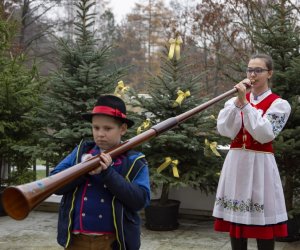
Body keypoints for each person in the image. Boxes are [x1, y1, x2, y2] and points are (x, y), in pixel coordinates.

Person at [50, 95, 151, 250]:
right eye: (96, 128)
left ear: (122, 129)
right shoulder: (81, 152)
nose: (100, 134)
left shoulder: (135, 161)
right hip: (76, 242)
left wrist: (107, 173)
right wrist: (83, 170)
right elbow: (54, 183)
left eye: (107, 128)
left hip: (112, 243)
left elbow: (140, 200)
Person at [212, 53, 291, 250]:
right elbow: (225, 129)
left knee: (261, 220)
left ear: (269, 73)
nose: (252, 74)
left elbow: (264, 134)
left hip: (260, 165)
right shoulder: (235, 101)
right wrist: (237, 104)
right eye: (249, 70)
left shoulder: (279, 104)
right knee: (236, 221)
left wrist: (246, 106)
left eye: (258, 70)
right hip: (236, 163)